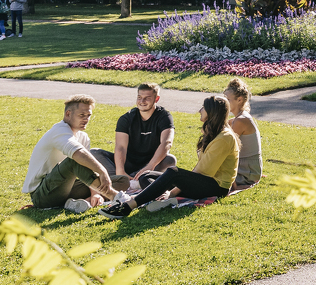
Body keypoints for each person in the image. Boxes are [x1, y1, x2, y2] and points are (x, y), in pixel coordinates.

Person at [99, 94, 240, 220]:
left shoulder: (224, 138)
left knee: (173, 172)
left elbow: (203, 172)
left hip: (216, 186)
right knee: (146, 176)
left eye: (203, 108)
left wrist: (172, 192)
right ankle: (162, 200)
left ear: (212, 112)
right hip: (204, 180)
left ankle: (128, 206)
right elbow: (200, 168)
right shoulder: (214, 133)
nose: (200, 110)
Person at [23, 94, 130, 212]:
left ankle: (83, 202)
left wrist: (95, 194)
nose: (86, 119)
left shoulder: (83, 137)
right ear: (68, 114)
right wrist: (102, 171)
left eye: (88, 115)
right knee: (74, 160)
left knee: (122, 181)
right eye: (82, 115)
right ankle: (116, 197)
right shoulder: (59, 131)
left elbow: (88, 169)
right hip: (42, 194)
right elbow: (78, 154)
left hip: (67, 187)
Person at [91, 82, 176, 190]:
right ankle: (127, 181)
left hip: (151, 164)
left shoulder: (164, 116)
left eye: (147, 98)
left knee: (170, 159)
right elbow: (120, 147)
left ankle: (124, 183)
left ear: (156, 99)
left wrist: (150, 166)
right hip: (128, 163)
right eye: (139, 97)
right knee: (94, 153)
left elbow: (167, 143)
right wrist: (120, 171)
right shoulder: (126, 118)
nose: (142, 101)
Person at [223, 77, 263, 188]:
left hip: (247, 172)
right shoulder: (238, 119)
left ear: (239, 100)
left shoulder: (241, 120)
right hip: (247, 167)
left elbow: (227, 147)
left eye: (228, 100)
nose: (225, 102)